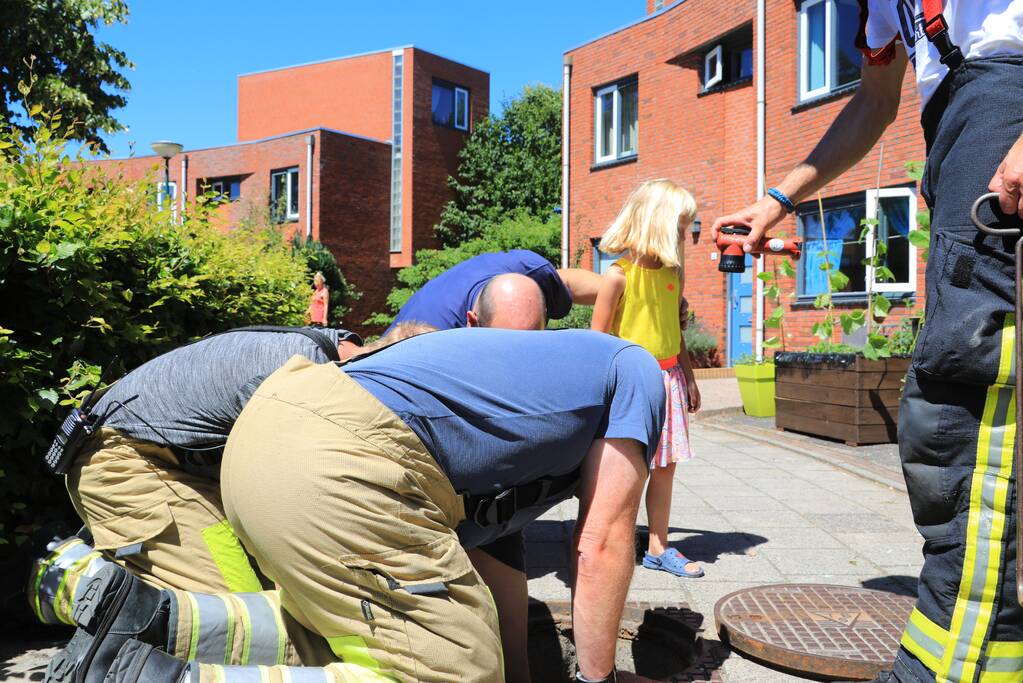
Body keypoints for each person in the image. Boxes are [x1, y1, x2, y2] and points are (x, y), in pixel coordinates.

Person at [64, 328, 667, 683]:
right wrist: (596, 679)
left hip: (259, 447)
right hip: (160, 456)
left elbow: (500, 563)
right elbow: (602, 544)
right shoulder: (633, 369)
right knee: (451, 669)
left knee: (334, 621)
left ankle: (149, 628)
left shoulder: (484, 408)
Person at [712, 3, 1023, 681]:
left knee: (970, 413)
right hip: (959, 134)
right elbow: (876, 101)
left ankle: (952, 667)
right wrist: (778, 200)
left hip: (1005, 125)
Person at [36, 326, 363, 683]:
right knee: (235, 618)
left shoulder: (309, 349)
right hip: (124, 463)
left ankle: (102, 618)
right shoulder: (307, 375)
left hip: (134, 453)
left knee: (205, 609)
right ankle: (114, 667)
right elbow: (293, 491)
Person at [591, 179, 703, 579]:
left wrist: (689, 378)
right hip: (632, 384)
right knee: (627, 467)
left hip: (670, 379)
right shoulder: (618, 276)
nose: (685, 236)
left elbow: (675, 331)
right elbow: (597, 340)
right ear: (658, 224)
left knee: (665, 466)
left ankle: (658, 546)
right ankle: (613, 539)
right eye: (680, 228)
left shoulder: (673, 274)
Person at [386, 249, 602, 333]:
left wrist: (619, 292)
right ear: (472, 323)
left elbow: (567, 281)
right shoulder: (430, 340)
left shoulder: (525, 269)